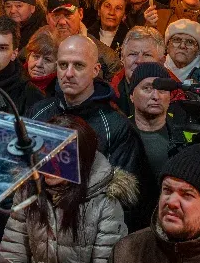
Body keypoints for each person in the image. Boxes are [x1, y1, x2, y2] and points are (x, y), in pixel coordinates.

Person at [0, 114, 135, 263]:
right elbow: (13, 258)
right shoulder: (28, 190)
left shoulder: (105, 202)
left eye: (61, 157)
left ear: (81, 160)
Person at [28, 35, 145, 185]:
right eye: (63, 65)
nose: (68, 73)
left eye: (78, 66)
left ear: (96, 70)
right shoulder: (39, 112)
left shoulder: (115, 126)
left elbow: (123, 194)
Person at [126, 61, 190, 179]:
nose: (156, 96)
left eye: (162, 90)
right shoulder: (119, 131)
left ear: (170, 96)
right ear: (131, 96)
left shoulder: (186, 132)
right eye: (147, 88)